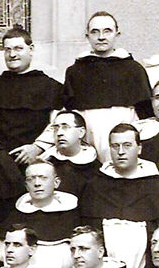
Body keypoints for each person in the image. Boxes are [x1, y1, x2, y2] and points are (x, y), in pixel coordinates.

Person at [82, 124, 159, 268]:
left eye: (127, 145)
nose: (121, 152)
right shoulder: (94, 186)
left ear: (139, 148)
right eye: (115, 146)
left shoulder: (158, 188)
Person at [58, 11, 153, 163]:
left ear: (117, 34)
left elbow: (146, 115)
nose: (101, 37)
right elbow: (69, 113)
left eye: (107, 31)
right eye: (95, 32)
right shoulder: (75, 71)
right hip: (87, 143)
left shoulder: (134, 69)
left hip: (123, 144)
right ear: (87, 36)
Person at [0, 25, 65, 156]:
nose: (12, 55)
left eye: (18, 49)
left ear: (31, 49)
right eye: (8, 50)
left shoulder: (52, 88)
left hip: (39, 159)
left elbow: (59, 124)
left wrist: (37, 147)